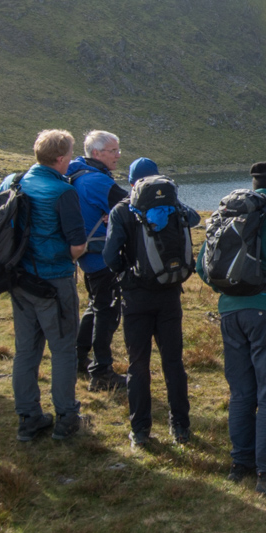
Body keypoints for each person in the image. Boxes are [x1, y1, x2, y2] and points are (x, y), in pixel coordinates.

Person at [201, 162, 266, 495]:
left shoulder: (229, 217)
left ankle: (240, 463)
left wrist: (231, 293)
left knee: (242, 391)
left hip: (231, 314)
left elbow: (203, 268)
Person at [102, 158, 198, 448]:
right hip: (169, 295)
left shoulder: (122, 210)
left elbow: (109, 257)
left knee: (138, 365)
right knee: (173, 363)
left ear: (132, 182)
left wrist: (126, 274)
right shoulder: (174, 207)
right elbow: (194, 220)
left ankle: (141, 431)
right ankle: (180, 426)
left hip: (136, 299)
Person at [4, 129, 90, 443]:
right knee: (64, 349)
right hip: (53, 281)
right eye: (69, 154)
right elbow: (77, 245)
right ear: (60, 158)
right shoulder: (62, 192)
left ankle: (28, 418)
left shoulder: (14, 182)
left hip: (20, 279)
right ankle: (67, 418)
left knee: (26, 351)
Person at [69, 130, 131, 392]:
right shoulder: (97, 182)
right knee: (107, 311)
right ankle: (102, 371)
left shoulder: (75, 175)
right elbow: (133, 207)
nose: (118, 155)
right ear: (96, 153)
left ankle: (78, 359)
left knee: (96, 306)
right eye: (113, 151)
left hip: (85, 255)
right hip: (103, 257)